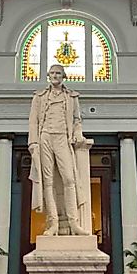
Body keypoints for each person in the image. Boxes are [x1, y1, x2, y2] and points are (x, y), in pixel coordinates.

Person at [27, 64, 88, 236]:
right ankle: (53, 223)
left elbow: (77, 120)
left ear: (63, 76)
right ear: (48, 76)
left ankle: (73, 222)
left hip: (63, 137)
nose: (55, 76)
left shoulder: (71, 97)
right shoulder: (39, 97)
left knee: (69, 178)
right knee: (48, 181)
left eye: (58, 73)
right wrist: (33, 142)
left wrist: (78, 133)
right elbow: (33, 121)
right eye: (52, 73)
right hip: (45, 137)